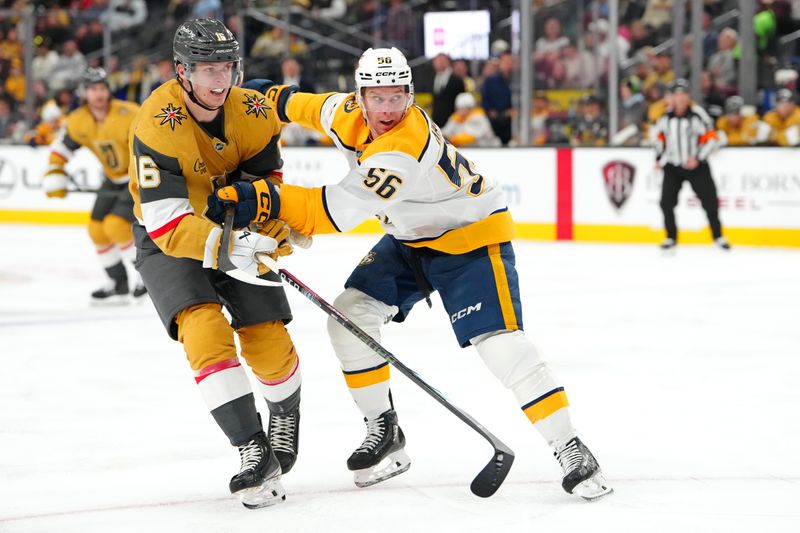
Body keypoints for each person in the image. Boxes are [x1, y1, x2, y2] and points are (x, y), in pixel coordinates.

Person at [216, 47, 614, 501]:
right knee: (348, 317)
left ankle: (570, 445)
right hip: (410, 239)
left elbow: (336, 210)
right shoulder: (346, 111)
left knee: (500, 346)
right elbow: (298, 104)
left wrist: (265, 199)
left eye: (398, 96)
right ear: (360, 94)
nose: (388, 108)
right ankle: (384, 431)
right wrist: (261, 95)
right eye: (377, 97)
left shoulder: (406, 145)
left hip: (470, 240)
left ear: (410, 94)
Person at [127, 18, 305, 509]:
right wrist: (232, 248)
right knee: (202, 328)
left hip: (231, 223)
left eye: (225, 66)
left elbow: (264, 186)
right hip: (167, 235)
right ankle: (253, 450)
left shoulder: (252, 110)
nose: (219, 80)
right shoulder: (155, 122)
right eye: (207, 69)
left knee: (268, 337)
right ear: (182, 72)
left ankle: (285, 410)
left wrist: (275, 225)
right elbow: (167, 223)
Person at [42, 67, 146, 303]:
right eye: (93, 90)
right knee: (96, 229)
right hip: (111, 179)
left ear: (108, 90)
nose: (98, 94)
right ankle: (117, 284)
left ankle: (146, 277)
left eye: (102, 88)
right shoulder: (79, 120)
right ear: (85, 93)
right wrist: (55, 171)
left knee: (116, 226)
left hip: (136, 179)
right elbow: (62, 147)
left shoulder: (129, 113)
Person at [652, 79, 729, 251]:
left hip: (697, 167)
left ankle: (718, 236)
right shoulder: (665, 117)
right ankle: (671, 237)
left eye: (683, 94)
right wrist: (658, 160)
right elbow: (660, 139)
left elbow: (710, 137)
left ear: (688, 96)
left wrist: (698, 158)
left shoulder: (697, 114)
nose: (680, 98)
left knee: (710, 202)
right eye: (677, 94)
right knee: (666, 203)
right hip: (673, 166)